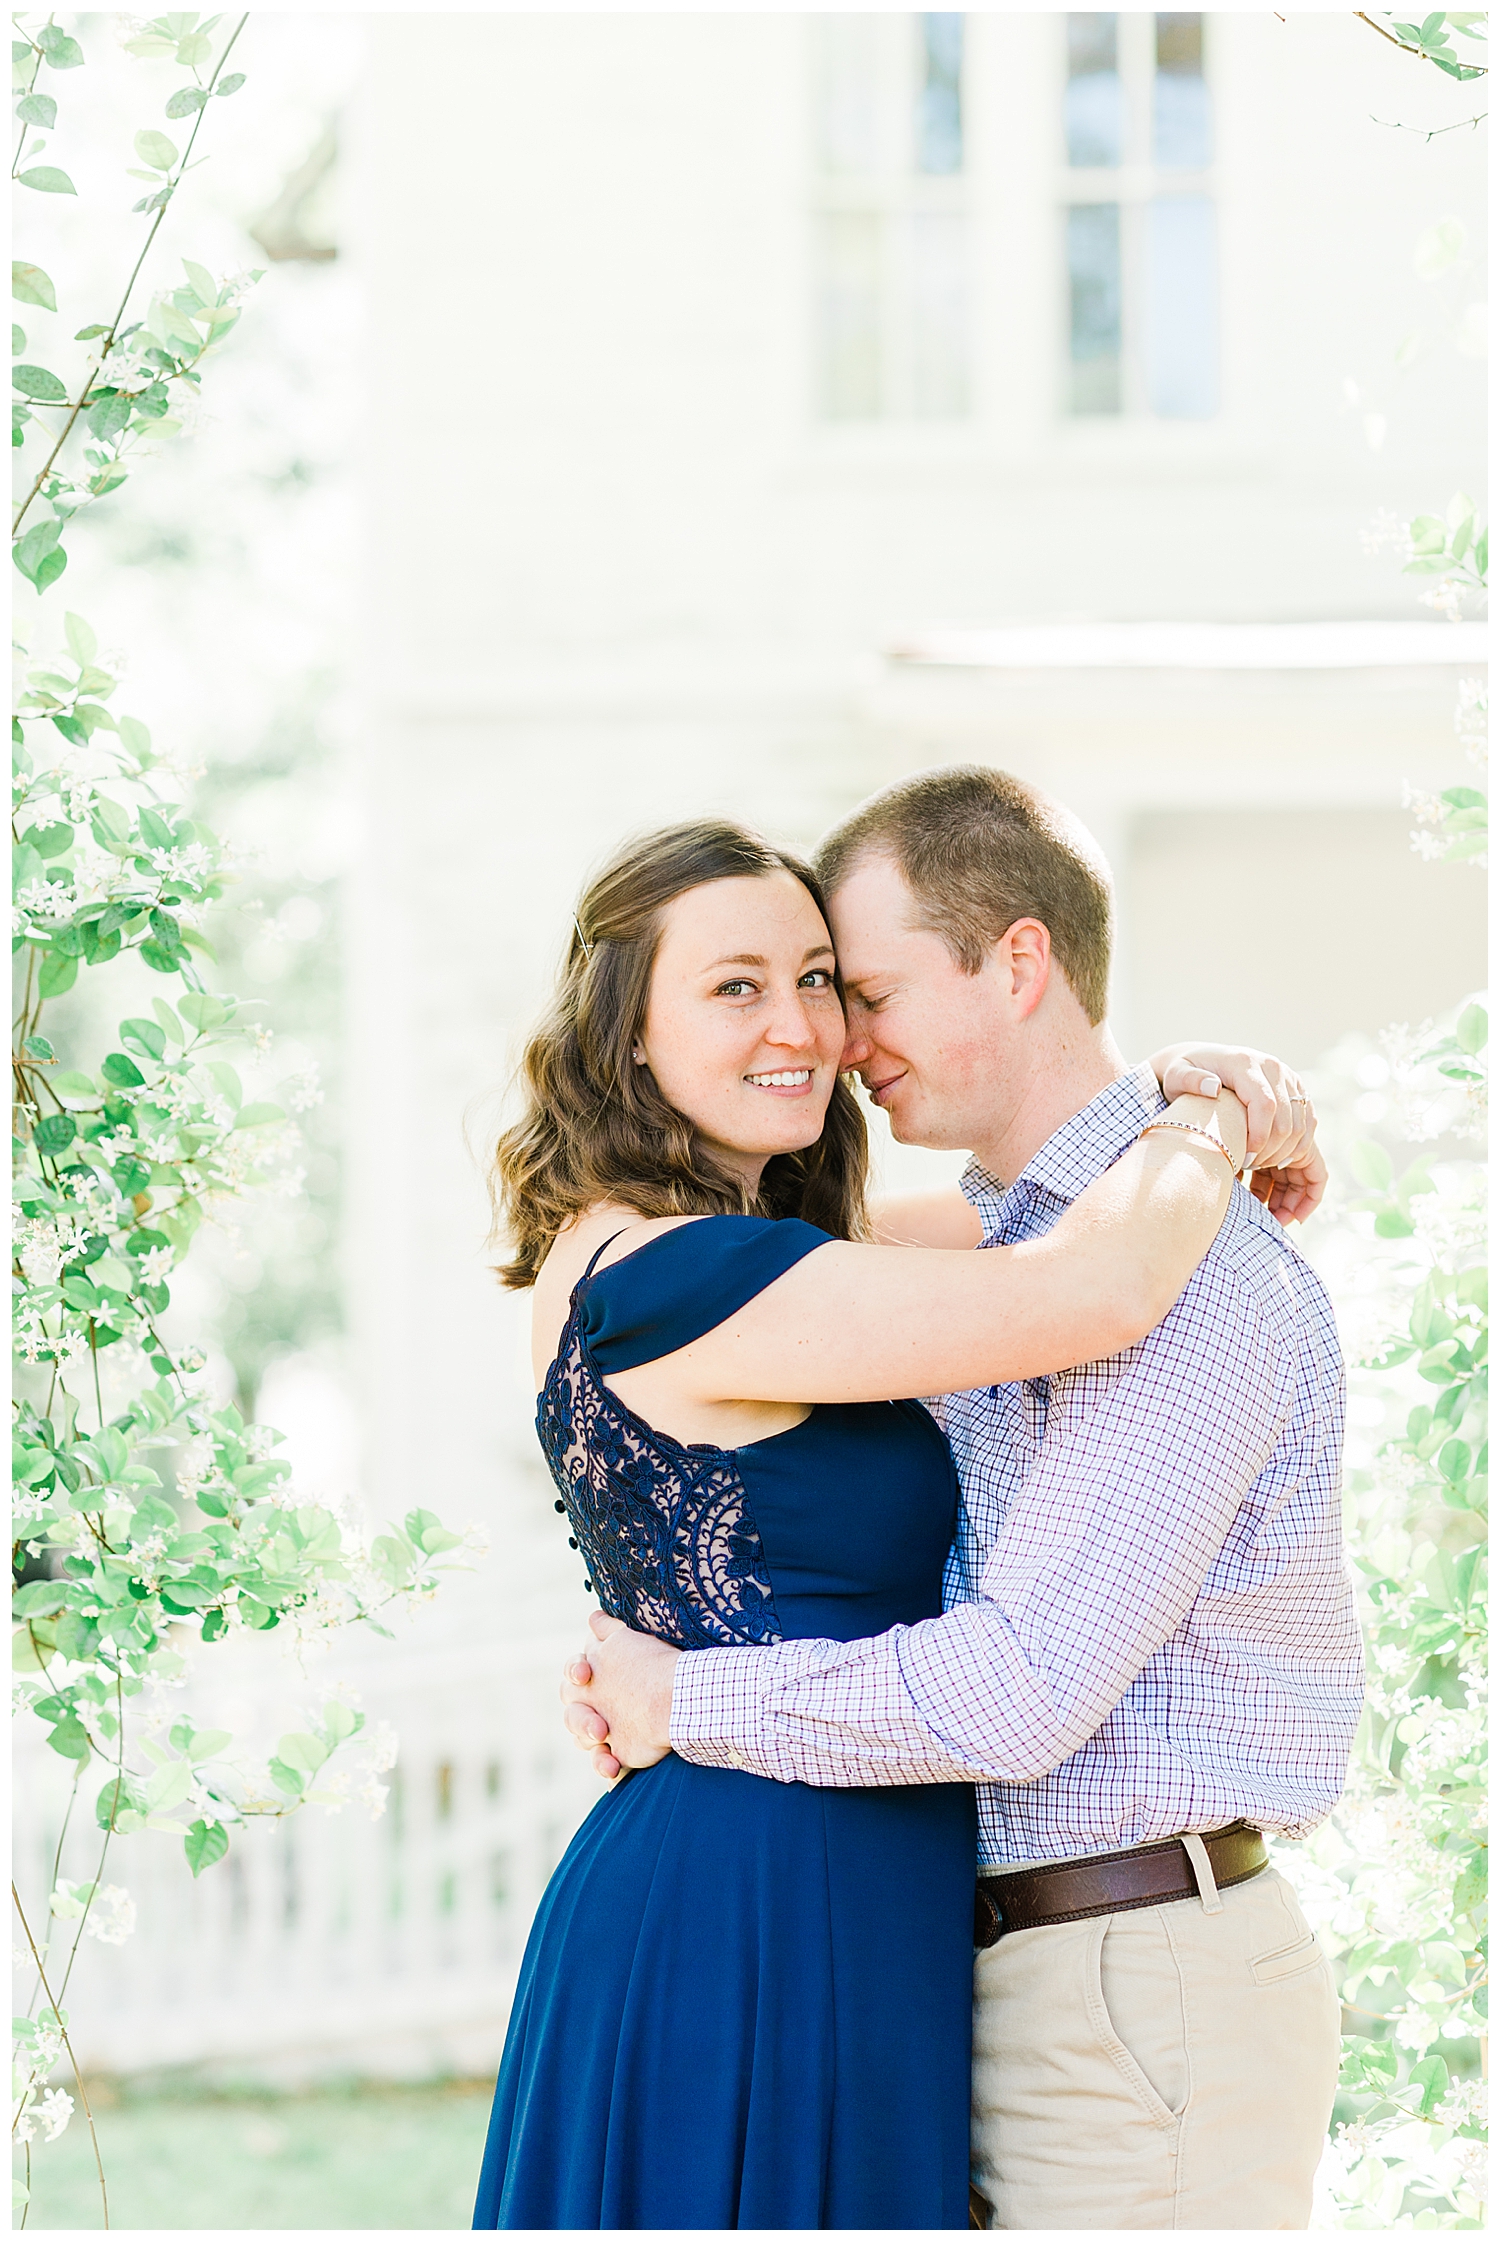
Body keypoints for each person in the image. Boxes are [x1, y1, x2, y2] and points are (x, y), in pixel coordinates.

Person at [473, 807, 1322, 2232]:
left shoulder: (756, 1259)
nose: (813, 1027)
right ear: (628, 1030)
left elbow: (1032, 1222)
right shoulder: (687, 1272)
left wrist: (1191, 1111)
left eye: (827, 979)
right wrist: (1210, 1118)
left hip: (828, 1880)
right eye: (736, 984)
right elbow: (1088, 1288)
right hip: (760, 1897)